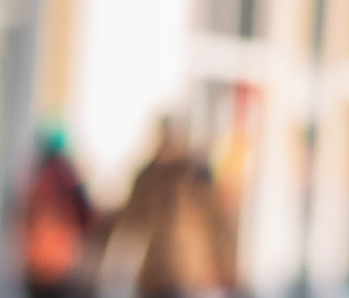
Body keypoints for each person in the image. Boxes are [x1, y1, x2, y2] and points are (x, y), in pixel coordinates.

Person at [104, 119, 236, 298]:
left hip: (189, 277)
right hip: (156, 275)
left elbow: (216, 223)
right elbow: (129, 219)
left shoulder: (196, 177)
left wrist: (224, 265)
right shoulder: (148, 177)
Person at [17, 126, 96, 298]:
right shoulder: (70, 178)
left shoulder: (36, 177)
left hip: (36, 260)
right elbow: (87, 214)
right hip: (59, 260)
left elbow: (24, 216)